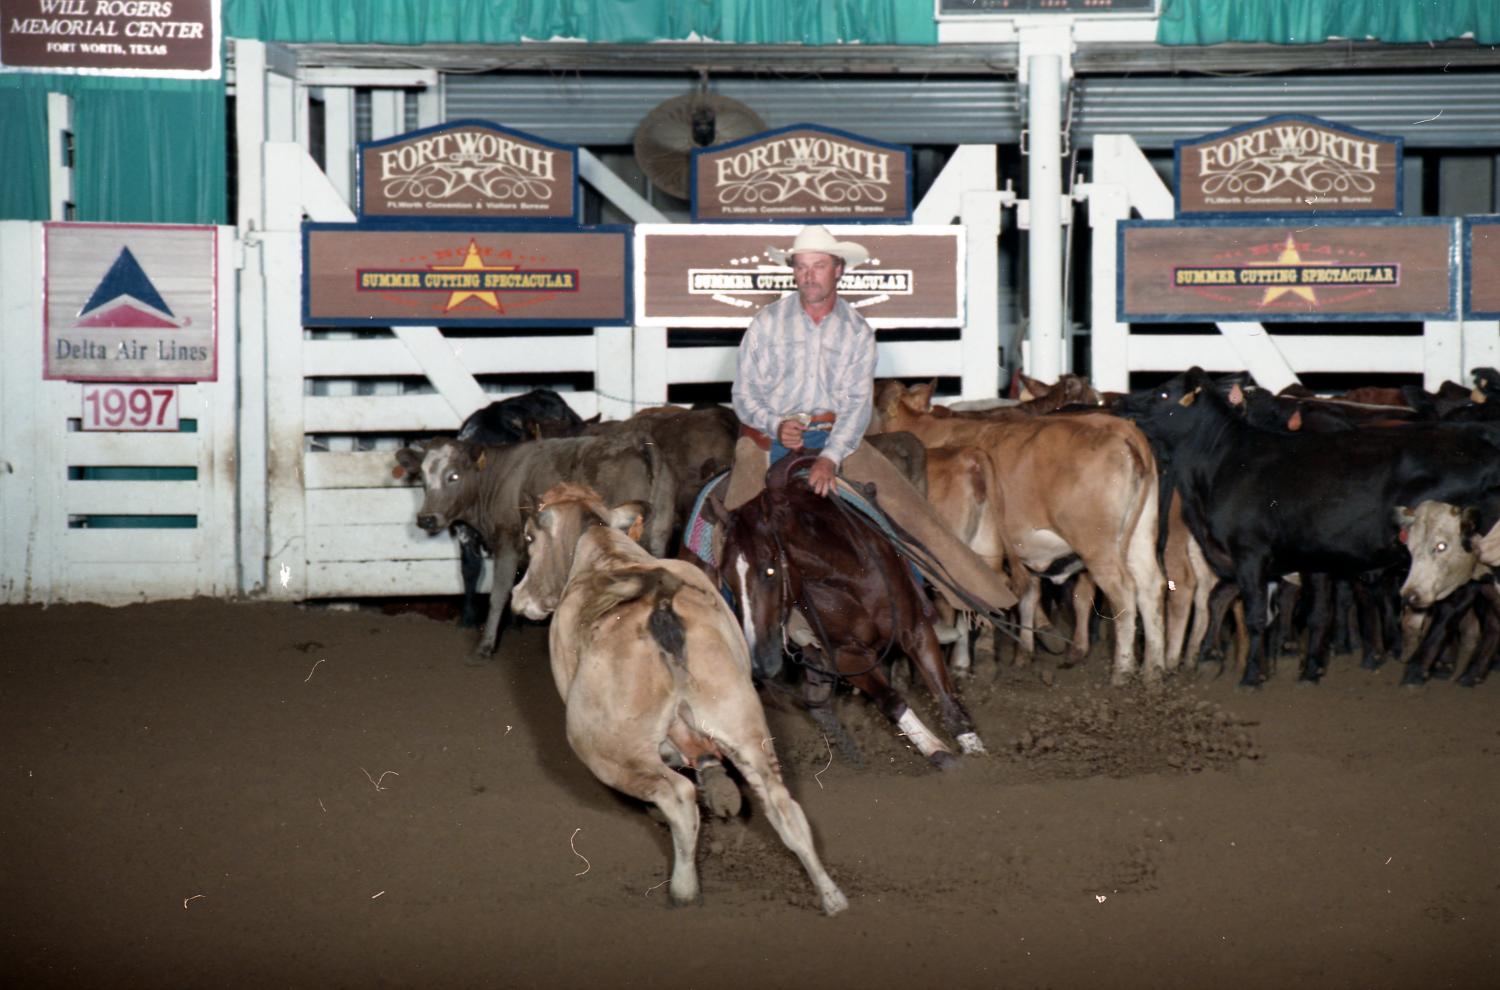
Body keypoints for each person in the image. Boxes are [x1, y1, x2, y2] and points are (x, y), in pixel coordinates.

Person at [725, 224, 1018, 616]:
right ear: (793, 271)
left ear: (838, 270)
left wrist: (831, 456)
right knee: (728, 524)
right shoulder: (767, 323)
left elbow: (858, 404)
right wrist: (775, 423)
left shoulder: (856, 331)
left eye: (819, 266)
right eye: (801, 267)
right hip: (766, 438)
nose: (809, 275)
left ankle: (971, 601)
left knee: (909, 510)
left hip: (835, 437)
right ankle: (723, 614)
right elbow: (744, 393)